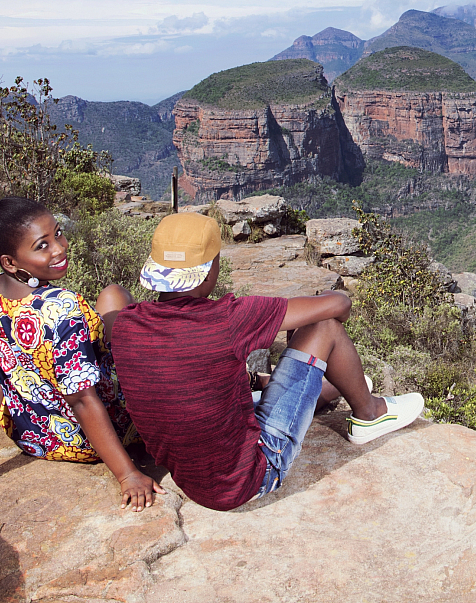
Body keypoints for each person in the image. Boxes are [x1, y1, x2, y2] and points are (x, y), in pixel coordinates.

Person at [102, 212, 423, 511]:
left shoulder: (125, 325)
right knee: (323, 326)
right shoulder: (226, 318)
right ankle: (370, 414)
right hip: (249, 477)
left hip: (190, 478)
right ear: (207, 273)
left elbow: (114, 295)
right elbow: (337, 304)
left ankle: (324, 392)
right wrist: (338, 303)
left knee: (290, 347)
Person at [0, 187, 163, 518]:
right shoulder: (61, 308)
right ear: (10, 261)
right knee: (114, 296)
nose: (60, 248)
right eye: (42, 245)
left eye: (57, 234)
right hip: (90, 437)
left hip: (35, 436)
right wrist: (127, 473)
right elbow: (81, 400)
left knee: (106, 304)